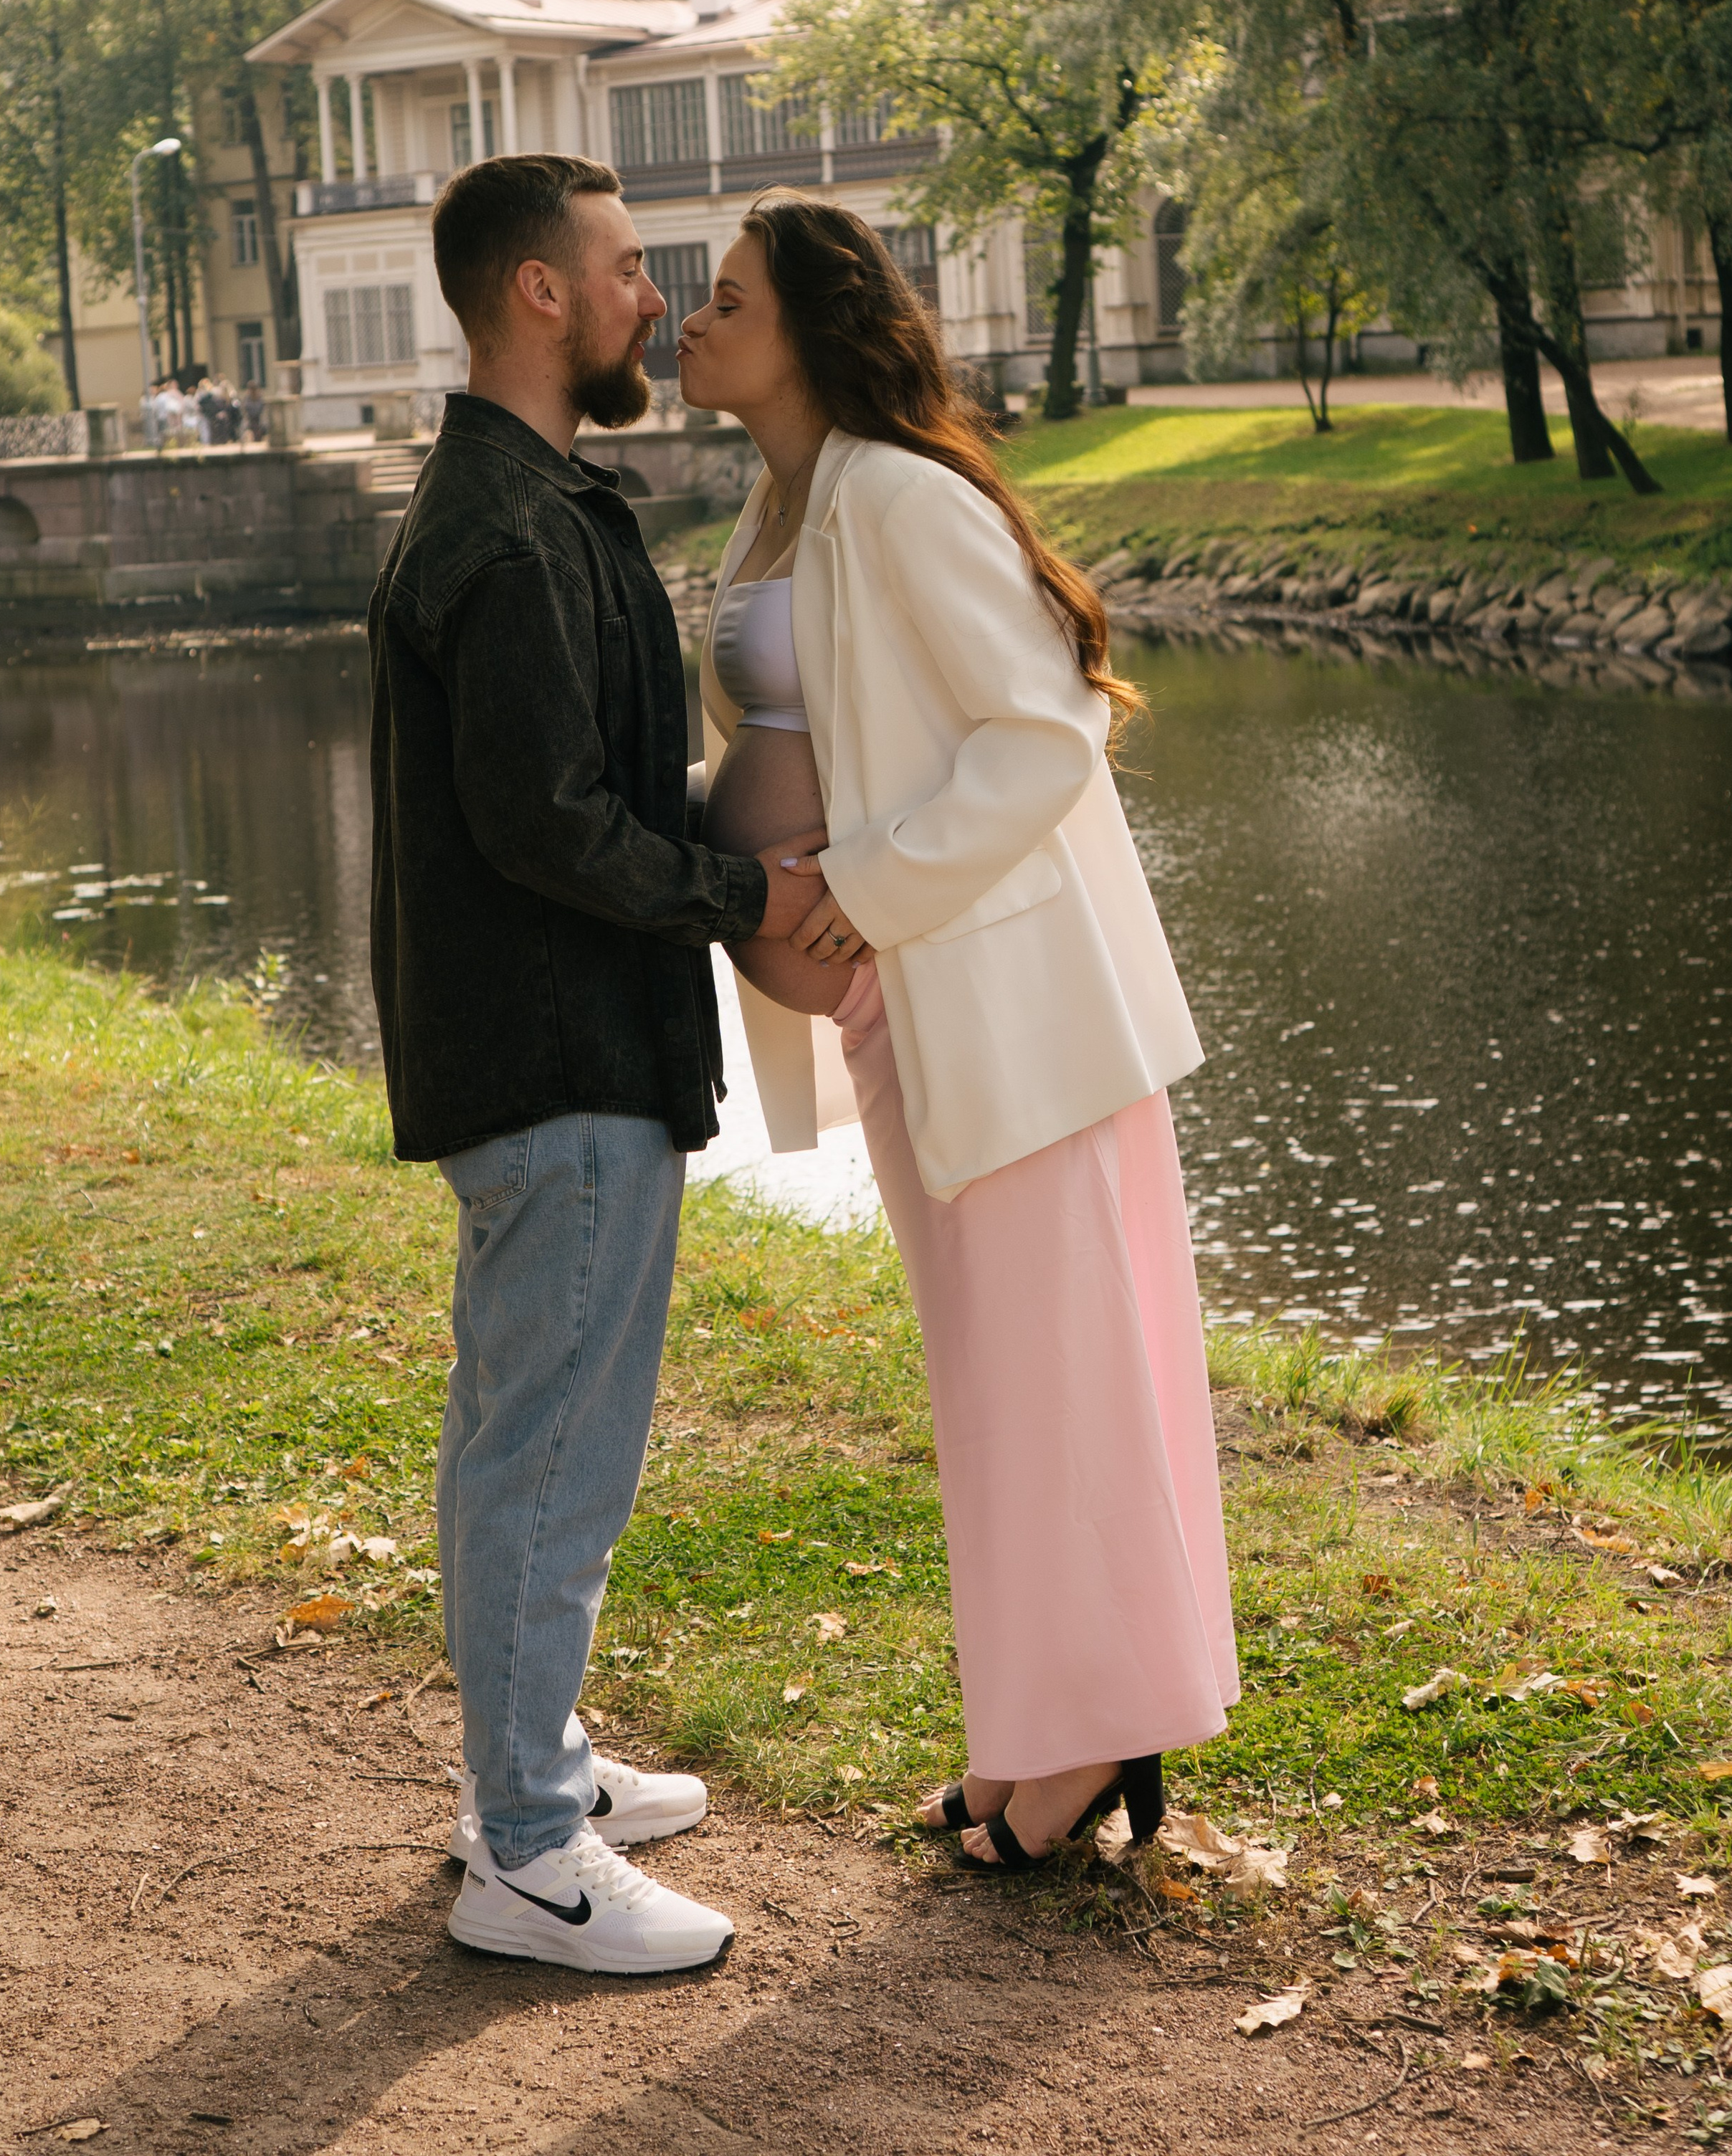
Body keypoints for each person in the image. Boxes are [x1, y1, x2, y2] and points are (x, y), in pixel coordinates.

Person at [677, 194, 1239, 1874]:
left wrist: (865, 883)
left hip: (1004, 1004)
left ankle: (1093, 1738)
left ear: (806, 328)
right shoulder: (781, 505)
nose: (692, 323)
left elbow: (1042, 728)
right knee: (994, 1388)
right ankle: (1029, 1732)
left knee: (1058, 1379)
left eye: (725, 301)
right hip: (899, 1006)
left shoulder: (899, 494)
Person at [368, 153, 822, 1973]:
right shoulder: (500, 529)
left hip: (559, 1051)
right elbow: (547, 823)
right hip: (555, 1060)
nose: (655, 300)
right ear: (540, 292)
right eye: (630, 268)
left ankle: (525, 1771)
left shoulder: (531, 499)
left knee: (521, 1437)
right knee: (549, 1457)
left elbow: (589, 787)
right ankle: (529, 1853)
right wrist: (749, 893)